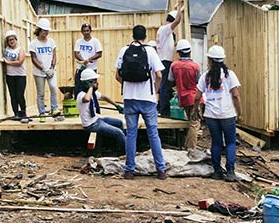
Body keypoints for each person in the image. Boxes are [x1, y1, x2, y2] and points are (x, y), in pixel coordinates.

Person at [115, 25, 167, 180]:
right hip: (148, 99)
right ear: (145, 36)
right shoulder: (150, 51)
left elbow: (117, 75)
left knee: (131, 134)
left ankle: (129, 170)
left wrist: (126, 86)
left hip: (129, 99)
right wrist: (155, 91)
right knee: (153, 134)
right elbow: (158, 75)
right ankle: (161, 170)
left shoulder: (124, 51)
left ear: (133, 35)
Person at [195, 45, 242, 182]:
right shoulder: (229, 75)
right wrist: (240, 113)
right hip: (227, 114)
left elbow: (197, 96)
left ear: (209, 59)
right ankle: (230, 171)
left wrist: (195, 109)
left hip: (211, 115)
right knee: (230, 142)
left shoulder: (205, 76)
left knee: (216, 143)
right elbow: (236, 95)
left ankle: (217, 171)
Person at [77, 69, 125, 151]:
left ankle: (121, 145)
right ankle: (128, 152)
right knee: (118, 132)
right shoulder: (82, 95)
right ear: (88, 83)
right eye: (94, 81)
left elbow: (104, 97)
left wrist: (117, 106)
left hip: (97, 120)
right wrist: (91, 87)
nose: (97, 83)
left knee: (119, 123)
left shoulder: (93, 93)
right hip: (91, 125)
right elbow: (87, 99)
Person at [168, 39, 202, 150]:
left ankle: (187, 146)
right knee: (195, 123)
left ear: (178, 52)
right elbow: (199, 82)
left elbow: (170, 79)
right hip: (194, 98)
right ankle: (190, 148)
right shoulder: (195, 66)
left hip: (183, 97)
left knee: (191, 122)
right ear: (190, 51)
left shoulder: (174, 66)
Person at [156, 0, 185, 117]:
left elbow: (173, 16)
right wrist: (180, 8)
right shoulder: (166, 29)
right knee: (164, 86)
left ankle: (163, 108)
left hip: (164, 60)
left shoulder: (163, 29)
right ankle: (164, 110)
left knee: (166, 85)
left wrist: (178, 6)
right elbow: (177, 20)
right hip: (165, 61)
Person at [29, 18, 59, 119]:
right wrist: (43, 69)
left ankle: (54, 109)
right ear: (40, 30)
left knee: (53, 88)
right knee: (41, 93)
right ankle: (42, 113)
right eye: (44, 30)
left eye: (47, 30)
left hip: (51, 71)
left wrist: (51, 68)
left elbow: (54, 56)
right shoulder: (34, 43)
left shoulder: (51, 42)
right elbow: (34, 58)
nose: (46, 32)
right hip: (39, 72)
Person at [0, 30, 28, 122]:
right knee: (13, 95)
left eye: (13, 39)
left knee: (20, 94)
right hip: (10, 75)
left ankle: (23, 112)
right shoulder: (7, 49)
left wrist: (8, 62)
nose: (11, 41)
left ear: (16, 40)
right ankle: (16, 113)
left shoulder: (20, 49)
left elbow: (20, 62)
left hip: (20, 75)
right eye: (9, 40)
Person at [73, 22, 103, 96]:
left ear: (90, 31)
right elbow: (76, 53)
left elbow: (99, 53)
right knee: (78, 88)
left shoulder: (95, 41)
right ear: (82, 32)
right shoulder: (79, 42)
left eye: (87, 30)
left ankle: (92, 104)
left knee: (92, 88)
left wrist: (89, 59)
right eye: (84, 31)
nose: (86, 32)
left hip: (92, 69)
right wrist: (83, 61)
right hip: (81, 69)